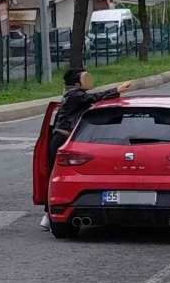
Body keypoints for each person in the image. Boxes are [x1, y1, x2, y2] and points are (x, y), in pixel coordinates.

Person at [41, 68, 132, 229]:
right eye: (86, 78)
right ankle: (50, 213)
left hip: (64, 138)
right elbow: (93, 97)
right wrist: (117, 90)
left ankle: (51, 214)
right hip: (62, 139)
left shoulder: (74, 94)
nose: (90, 80)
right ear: (76, 83)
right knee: (57, 176)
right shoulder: (74, 94)